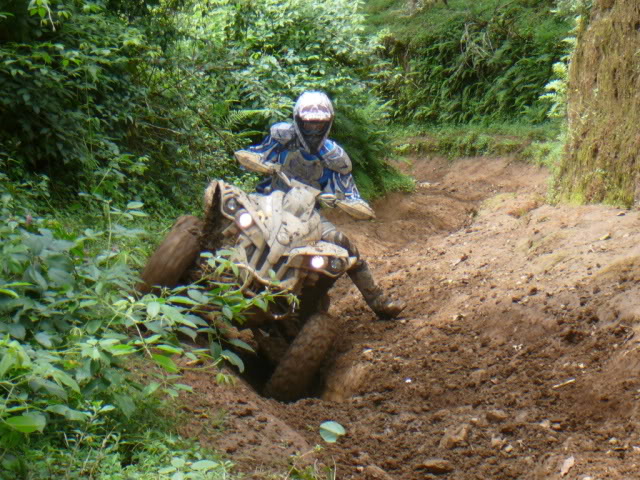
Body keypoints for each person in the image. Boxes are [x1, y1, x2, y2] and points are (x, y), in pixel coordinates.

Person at [236, 91, 405, 319]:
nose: (313, 129)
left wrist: (349, 204)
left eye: (319, 124)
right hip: (267, 201)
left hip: (308, 216)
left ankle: (378, 301)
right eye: (308, 123)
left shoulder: (335, 157)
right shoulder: (282, 136)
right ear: (298, 119)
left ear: (328, 123)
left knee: (346, 247)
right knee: (231, 213)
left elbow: (350, 192)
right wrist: (258, 162)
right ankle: (201, 266)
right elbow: (257, 153)